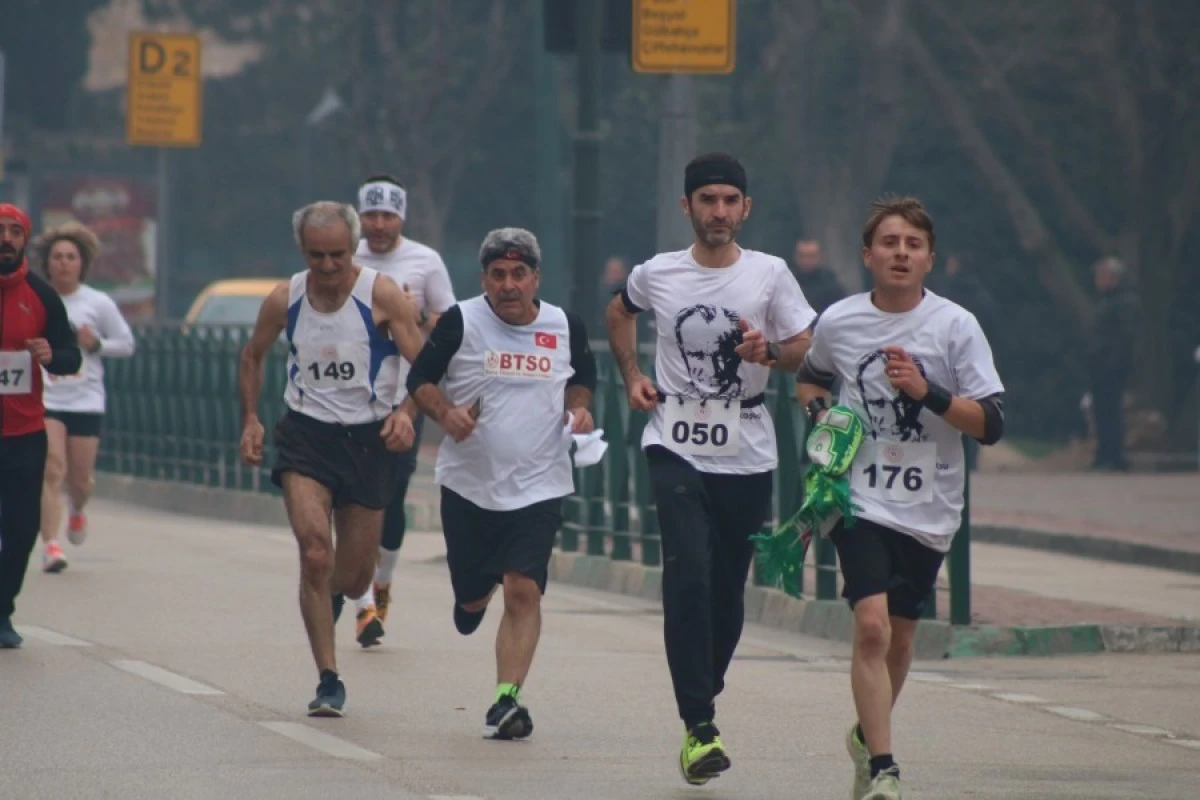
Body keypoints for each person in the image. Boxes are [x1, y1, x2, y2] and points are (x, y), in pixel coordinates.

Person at [606, 153, 816, 785]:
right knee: (689, 574)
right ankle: (699, 725)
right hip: (673, 437)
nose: (718, 211)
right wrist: (633, 376)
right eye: (707, 200)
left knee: (726, 589)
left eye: (729, 200)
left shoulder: (770, 274)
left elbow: (807, 345)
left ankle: (703, 688)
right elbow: (619, 311)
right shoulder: (659, 273)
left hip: (746, 444)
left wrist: (769, 352)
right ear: (687, 207)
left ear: (745, 208)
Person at [795, 196, 1005, 800]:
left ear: (929, 259)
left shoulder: (955, 326)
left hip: (929, 504)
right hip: (857, 498)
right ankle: (885, 769)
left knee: (902, 637)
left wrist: (927, 392)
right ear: (868, 255)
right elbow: (810, 376)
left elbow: (991, 424)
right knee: (871, 627)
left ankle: (866, 736)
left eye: (913, 245)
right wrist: (822, 415)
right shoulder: (840, 321)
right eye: (889, 243)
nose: (901, 254)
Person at [406, 227, 597, 740]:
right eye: (498, 275)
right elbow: (419, 380)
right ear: (484, 279)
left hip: (540, 484)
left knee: (522, 589)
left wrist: (579, 409)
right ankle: (472, 595)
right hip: (469, 486)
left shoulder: (565, 325)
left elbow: (583, 377)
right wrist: (446, 414)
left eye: (518, 274)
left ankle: (506, 699)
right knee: (472, 600)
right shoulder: (461, 321)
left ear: (536, 278)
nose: (508, 285)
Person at [238, 201, 424, 716]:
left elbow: (424, 364)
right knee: (315, 553)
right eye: (316, 255)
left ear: (353, 248)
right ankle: (328, 678)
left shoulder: (381, 295)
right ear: (303, 250)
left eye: (337, 255)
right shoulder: (285, 298)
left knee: (356, 577)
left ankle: (335, 595)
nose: (327, 266)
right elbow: (252, 355)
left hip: (368, 440)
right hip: (307, 436)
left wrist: (407, 412)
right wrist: (250, 419)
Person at [348, 174, 457, 646]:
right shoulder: (343, 258)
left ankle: (383, 582)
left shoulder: (425, 261)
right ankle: (362, 605)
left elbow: (451, 327)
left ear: (401, 218)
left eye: (388, 215)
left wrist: (418, 315)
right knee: (350, 501)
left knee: (389, 500)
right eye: (371, 215)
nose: (378, 224)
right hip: (347, 399)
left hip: (403, 400)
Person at [0, 203, 82, 649]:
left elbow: (71, 355)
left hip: (23, 433)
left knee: (21, 528)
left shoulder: (42, 295)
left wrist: (52, 356)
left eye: (15, 231)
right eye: (0, 230)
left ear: (25, 240)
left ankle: (2, 610)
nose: (6, 239)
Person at [33, 222, 135, 573]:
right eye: (57, 257)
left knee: (80, 480)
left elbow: (127, 344)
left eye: (70, 257)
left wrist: (97, 344)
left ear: (82, 263)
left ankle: (77, 509)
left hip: (86, 399)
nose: (63, 263)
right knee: (52, 469)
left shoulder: (97, 302)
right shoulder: (38, 298)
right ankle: (51, 545)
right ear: (47, 263)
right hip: (47, 397)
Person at [1086, 256, 1139, 472]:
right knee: (1100, 411)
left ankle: (1114, 456)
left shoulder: (1126, 303)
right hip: (1100, 365)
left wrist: (1113, 363)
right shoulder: (1105, 302)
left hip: (1112, 366)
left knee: (1111, 411)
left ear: (1115, 277)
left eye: (1102, 276)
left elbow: (1125, 337)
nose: (1098, 281)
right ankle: (1103, 454)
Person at [792, 238, 848, 315]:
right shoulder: (789, 281)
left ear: (820, 256)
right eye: (802, 256)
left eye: (811, 256)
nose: (806, 261)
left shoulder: (830, 284)